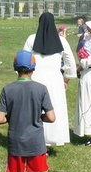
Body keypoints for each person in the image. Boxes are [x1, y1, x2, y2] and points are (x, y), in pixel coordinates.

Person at [0, 50, 56, 172]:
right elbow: (52, 117)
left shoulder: (8, 89)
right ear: (33, 68)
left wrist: (11, 118)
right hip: (36, 143)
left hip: (16, 142)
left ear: (15, 68)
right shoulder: (41, 89)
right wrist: (39, 118)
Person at [22, 12, 76, 146]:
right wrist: (66, 79)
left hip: (35, 78)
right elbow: (70, 62)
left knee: (35, 109)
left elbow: (24, 59)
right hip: (54, 80)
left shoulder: (31, 39)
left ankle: (35, 139)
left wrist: (23, 79)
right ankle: (52, 138)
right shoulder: (61, 40)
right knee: (53, 107)